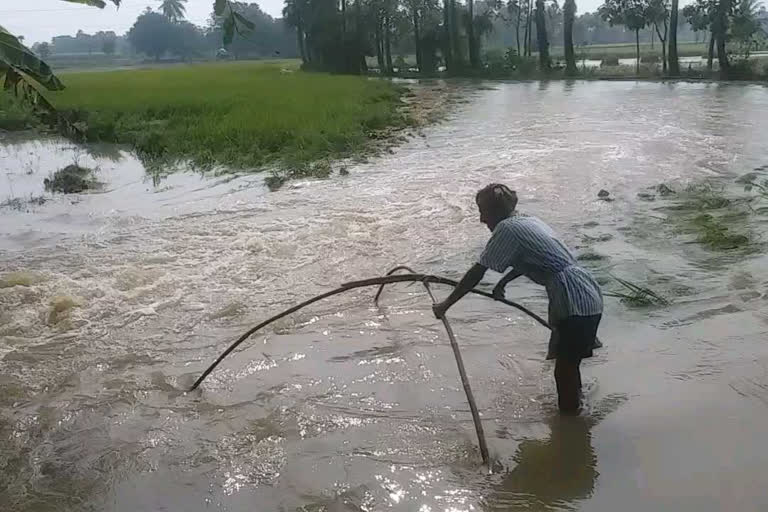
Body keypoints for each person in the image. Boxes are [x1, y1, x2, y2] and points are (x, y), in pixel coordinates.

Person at [432, 183, 603, 414]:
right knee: (569, 364)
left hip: (571, 296)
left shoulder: (506, 229)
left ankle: (570, 422)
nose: (482, 220)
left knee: (565, 368)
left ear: (495, 213)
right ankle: (577, 414)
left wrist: (445, 305)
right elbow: (531, 258)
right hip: (586, 291)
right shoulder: (527, 221)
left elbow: (477, 272)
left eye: (483, 212)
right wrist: (503, 283)